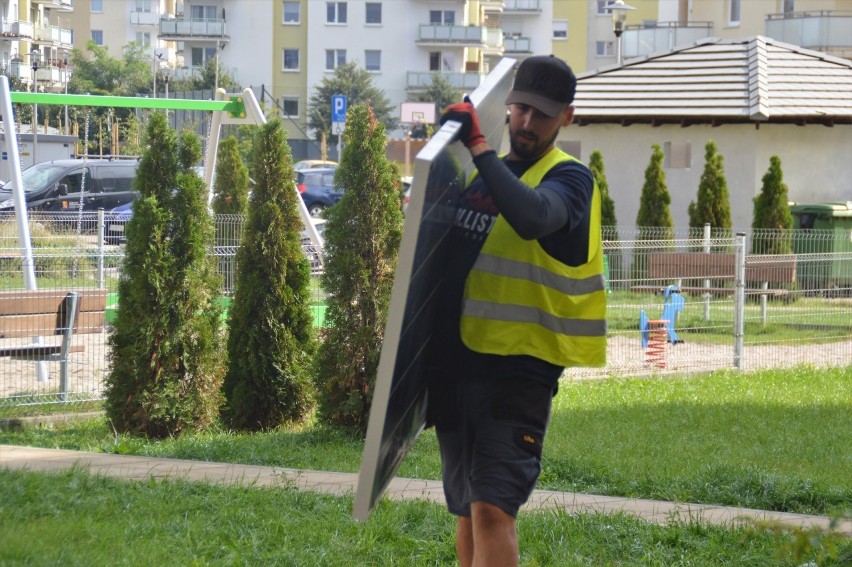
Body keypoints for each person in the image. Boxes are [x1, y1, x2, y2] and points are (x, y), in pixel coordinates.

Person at [426, 55, 607, 567]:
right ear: (508, 104)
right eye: (521, 109)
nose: (527, 123)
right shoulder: (483, 176)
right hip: (460, 368)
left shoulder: (571, 181)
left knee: (491, 508)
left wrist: (479, 145)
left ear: (566, 117)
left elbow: (532, 217)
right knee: (465, 508)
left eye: (542, 115)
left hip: (521, 374)